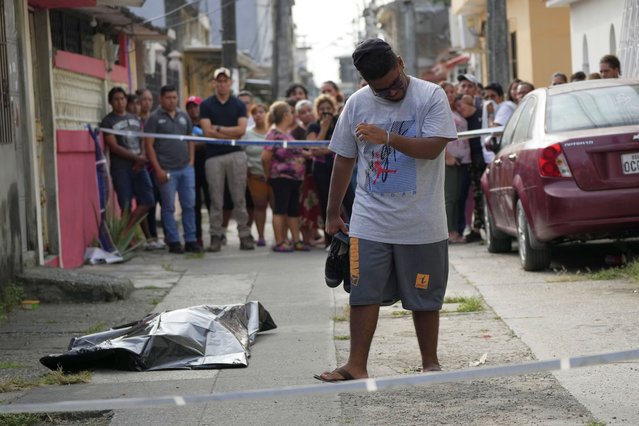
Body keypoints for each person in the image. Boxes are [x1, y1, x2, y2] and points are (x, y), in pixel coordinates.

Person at [314, 38, 457, 382]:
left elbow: (434, 149)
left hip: (422, 220)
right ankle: (355, 366)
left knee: (425, 295)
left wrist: (387, 138)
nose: (392, 93)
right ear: (366, 84)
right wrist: (332, 213)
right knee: (363, 291)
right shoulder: (357, 103)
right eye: (382, 91)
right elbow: (344, 159)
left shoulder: (431, 95)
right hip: (370, 219)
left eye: (395, 84)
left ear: (401, 62)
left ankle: (430, 363)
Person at [199, 67, 254, 252]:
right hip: (213, 156)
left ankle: (244, 235)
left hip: (235, 154)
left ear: (230, 83)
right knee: (216, 199)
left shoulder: (238, 104)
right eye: (219, 81)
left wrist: (219, 129)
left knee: (239, 198)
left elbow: (241, 130)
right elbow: (206, 131)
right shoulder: (206, 104)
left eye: (225, 81)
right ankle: (216, 235)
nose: (222, 84)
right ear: (214, 83)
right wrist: (227, 132)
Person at [144, 85, 202, 254]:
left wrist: (191, 160)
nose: (172, 100)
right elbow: (149, 145)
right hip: (166, 169)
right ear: (161, 99)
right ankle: (174, 241)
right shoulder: (154, 118)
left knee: (189, 205)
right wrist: (158, 169)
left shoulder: (184, 116)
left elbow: (190, 139)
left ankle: (190, 240)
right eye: (168, 97)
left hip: (186, 168)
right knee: (168, 207)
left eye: (174, 97)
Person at [101, 87, 155, 240]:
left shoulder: (135, 118)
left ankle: (125, 232)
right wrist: (135, 158)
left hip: (139, 166)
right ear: (111, 102)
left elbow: (143, 139)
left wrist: (142, 156)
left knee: (148, 200)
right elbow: (114, 147)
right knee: (125, 205)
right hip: (121, 168)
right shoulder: (108, 121)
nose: (120, 102)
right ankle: (129, 239)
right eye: (116, 99)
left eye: (122, 98)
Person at [262, 101, 311, 252]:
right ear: (285, 115)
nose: (292, 116)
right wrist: (268, 175)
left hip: (294, 179)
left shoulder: (287, 135)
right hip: (280, 177)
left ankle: (296, 240)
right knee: (280, 209)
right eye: (290, 113)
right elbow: (265, 157)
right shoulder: (273, 134)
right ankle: (279, 241)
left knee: (293, 210)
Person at [135, 88, 165, 250]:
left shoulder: (155, 119)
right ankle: (149, 237)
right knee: (147, 203)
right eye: (143, 100)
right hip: (141, 167)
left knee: (159, 202)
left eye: (149, 100)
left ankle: (157, 236)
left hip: (155, 167)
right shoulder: (134, 121)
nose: (147, 103)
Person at [440, 82, 469, 244]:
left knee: (458, 197)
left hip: (463, 160)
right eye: (447, 91)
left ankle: (457, 229)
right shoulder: (439, 111)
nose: (450, 94)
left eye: (452, 91)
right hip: (449, 160)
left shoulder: (456, 110)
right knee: (450, 197)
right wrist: (446, 156)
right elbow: (435, 136)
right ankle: (450, 232)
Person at [243, 104, 270, 247]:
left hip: (273, 177)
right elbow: (242, 153)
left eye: (261, 112)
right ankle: (260, 236)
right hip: (255, 175)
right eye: (255, 113)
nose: (258, 115)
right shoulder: (247, 133)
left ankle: (282, 238)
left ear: (266, 113)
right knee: (259, 206)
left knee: (278, 208)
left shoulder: (272, 132)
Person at [186, 95, 210, 248]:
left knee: (211, 201)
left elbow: (210, 141)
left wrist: (194, 144)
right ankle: (197, 236)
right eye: (190, 107)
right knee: (193, 204)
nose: (194, 109)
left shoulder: (206, 123)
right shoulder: (185, 124)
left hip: (207, 166)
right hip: (191, 168)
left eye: (196, 106)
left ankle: (217, 234)